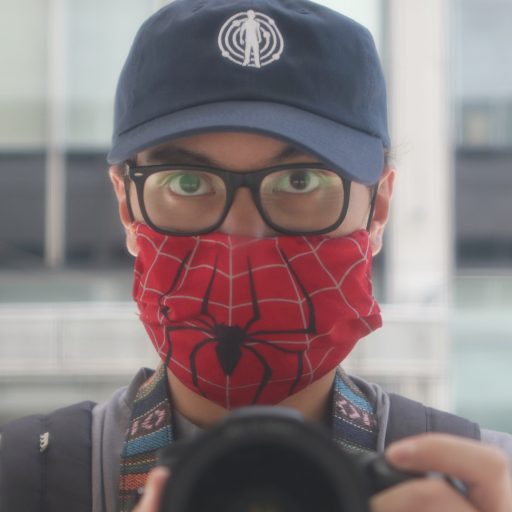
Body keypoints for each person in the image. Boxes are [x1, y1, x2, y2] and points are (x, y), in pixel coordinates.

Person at [1, 1, 511, 512]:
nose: (240, 235)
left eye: (300, 181)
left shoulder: (485, 488)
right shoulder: (18, 482)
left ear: (377, 208)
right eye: (187, 182)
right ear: (127, 207)